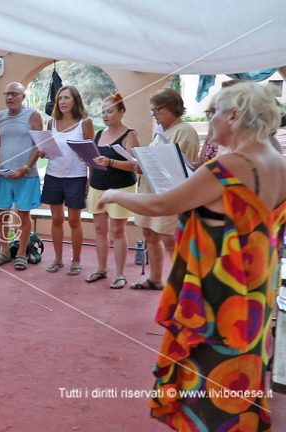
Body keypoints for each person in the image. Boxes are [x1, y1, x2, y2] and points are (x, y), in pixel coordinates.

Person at [98, 82, 284, 432]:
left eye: (214, 112)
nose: (211, 121)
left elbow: (162, 204)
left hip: (218, 294)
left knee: (211, 375)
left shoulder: (230, 165)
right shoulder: (278, 162)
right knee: (243, 372)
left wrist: (113, 195)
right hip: (258, 290)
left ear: (235, 115)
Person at [130, 88, 199, 290]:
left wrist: (149, 165)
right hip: (152, 192)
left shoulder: (184, 131)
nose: (154, 114)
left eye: (157, 110)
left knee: (170, 240)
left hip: (170, 195)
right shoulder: (162, 131)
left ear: (171, 108)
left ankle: (181, 287)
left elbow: (179, 168)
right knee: (150, 234)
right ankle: (155, 278)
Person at [0, 82, 44, 271]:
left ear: (23, 97)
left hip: (26, 176)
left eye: (14, 94)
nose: (10, 98)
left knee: (23, 215)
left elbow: (39, 145)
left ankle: (21, 253)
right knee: (1, 213)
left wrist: (26, 167)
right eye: (7, 94)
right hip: (4, 176)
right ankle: (4, 251)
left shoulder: (33, 116)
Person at [87, 93, 139, 289]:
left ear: (121, 111)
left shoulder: (130, 134)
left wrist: (110, 162)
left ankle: (120, 274)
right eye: (103, 112)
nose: (105, 115)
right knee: (100, 230)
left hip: (121, 187)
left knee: (117, 230)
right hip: (97, 186)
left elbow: (134, 165)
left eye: (109, 111)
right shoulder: (99, 134)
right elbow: (95, 159)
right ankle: (101, 269)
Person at [41, 85, 94, 276]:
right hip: (53, 175)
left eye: (67, 98)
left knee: (74, 220)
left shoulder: (85, 123)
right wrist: (43, 152)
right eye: (60, 98)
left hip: (76, 177)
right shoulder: (51, 123)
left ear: (75, 101)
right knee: (56, 219)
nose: (62, 102)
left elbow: (92, 154)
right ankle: (57, 259)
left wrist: (89, 178)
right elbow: (49, 151)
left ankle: (76, 260)